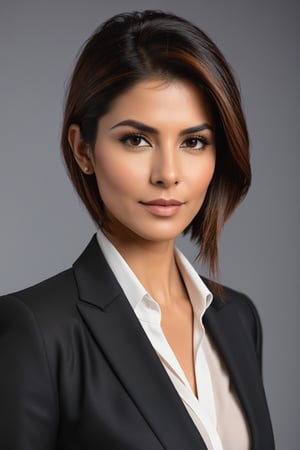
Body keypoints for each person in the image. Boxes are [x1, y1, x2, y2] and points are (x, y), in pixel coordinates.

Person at [0, 10, 274, 450]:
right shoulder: (36, 331)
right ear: (83, 149)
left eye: (193, 142)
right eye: (136, 139)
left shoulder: (237, 318)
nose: (168, 174)